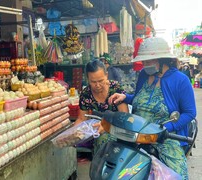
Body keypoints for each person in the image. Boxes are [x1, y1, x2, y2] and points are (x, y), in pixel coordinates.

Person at [108, 37, 196, 179]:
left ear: (162, 60)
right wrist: (125, 97)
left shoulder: (180, 80)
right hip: (137, 133)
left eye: (148, 61)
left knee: (177, 175)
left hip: (165, 138)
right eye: (143, 61)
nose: (144, 64)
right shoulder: (143, 74)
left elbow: (190, 113)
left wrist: (167, 129)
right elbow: (139, 98)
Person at [74, 60, 129, 153]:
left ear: (106, 75)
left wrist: (106, 126)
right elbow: (82, 118)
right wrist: (73, 134)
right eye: (93, 82)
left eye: (100, 81)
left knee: (103, 140)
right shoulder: (86, 93)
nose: (97, 85)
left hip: (117, 129)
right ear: (87, 79)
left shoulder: (116, 89)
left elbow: (124, 117)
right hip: (96, 131)